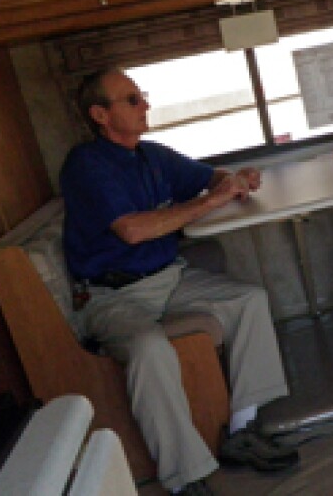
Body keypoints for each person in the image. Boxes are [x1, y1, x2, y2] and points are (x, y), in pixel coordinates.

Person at [60, 68, 298, 495]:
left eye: (142, 96)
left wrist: (234, 179)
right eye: (132, 100)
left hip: (168, 278)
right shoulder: (86, 165)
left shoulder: (152, 155)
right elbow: (132, 230)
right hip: (110, 294)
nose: (145, 106)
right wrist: (212, 201)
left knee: (250, 300)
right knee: (148, 348)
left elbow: (209, 177)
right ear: (100, 115)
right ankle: (184, 477)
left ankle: (242, 429)